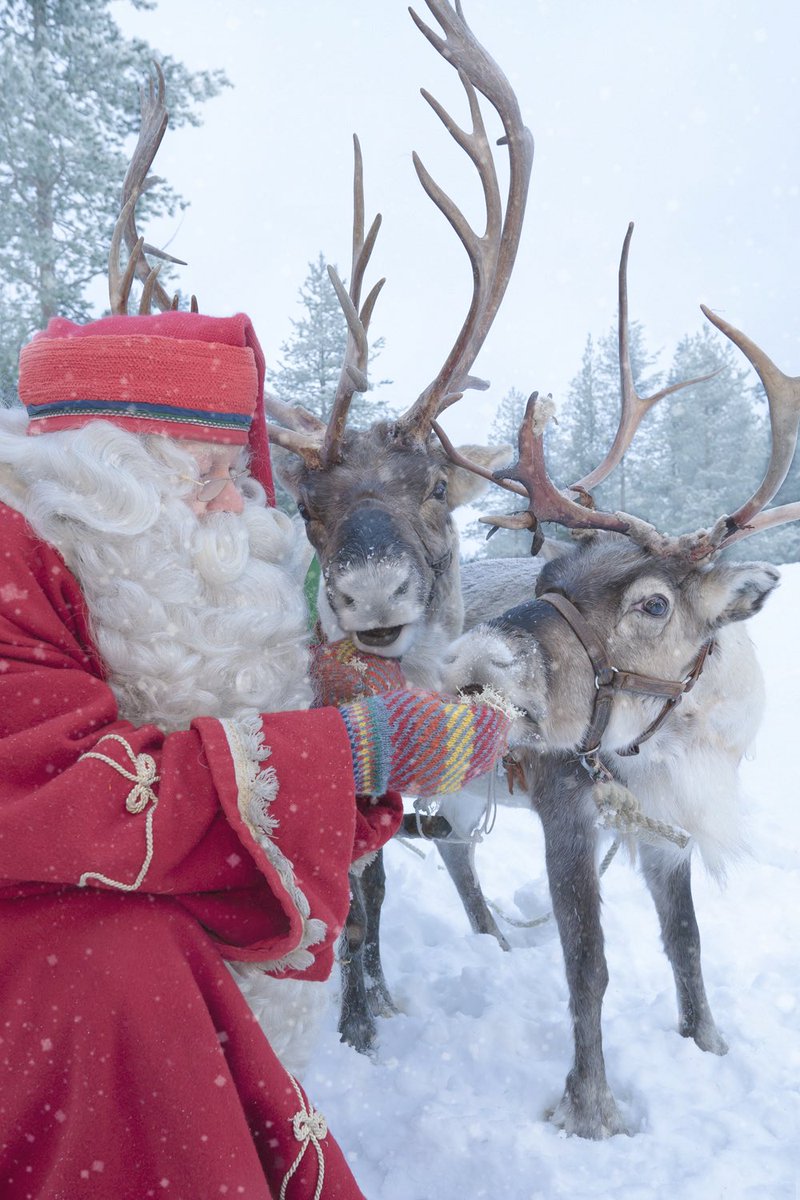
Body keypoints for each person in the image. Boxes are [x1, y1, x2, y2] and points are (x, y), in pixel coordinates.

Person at [0, 309, 512, 1200]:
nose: (240, 501)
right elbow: (58, 798)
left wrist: (367, 748)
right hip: (59, 981)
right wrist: (345, 751)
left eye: (238, 472)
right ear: (109, 469)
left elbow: (214, 767)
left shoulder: (108, 565)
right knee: (122, 971)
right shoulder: (14, 561)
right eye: (214, 472)